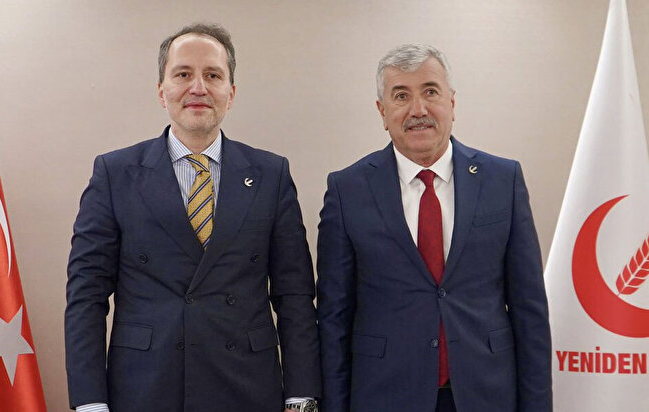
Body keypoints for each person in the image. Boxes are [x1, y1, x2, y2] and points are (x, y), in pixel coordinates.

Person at [65, 23, 320, 412]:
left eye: (213, 75)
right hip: (144, 386)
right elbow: (86, 294)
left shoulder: (271, 175)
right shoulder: (115, 174)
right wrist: (90, 402)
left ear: (231, 93)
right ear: (161, 90)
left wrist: (301, 397)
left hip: (247, 386)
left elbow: (295, 295)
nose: (198, 88)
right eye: (183, 74)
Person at [316, 43, 551, 412]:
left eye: (430, 92)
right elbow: (333, 318)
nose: (418, 110)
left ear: (452, 103)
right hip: (385, 395)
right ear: (382, 111)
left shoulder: (502, 181)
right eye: (401, 96)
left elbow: (529, 309)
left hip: (486, 393)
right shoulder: (347, 190)